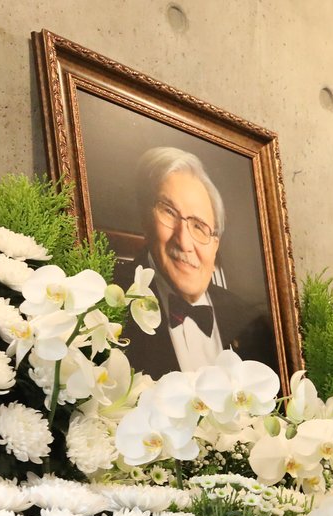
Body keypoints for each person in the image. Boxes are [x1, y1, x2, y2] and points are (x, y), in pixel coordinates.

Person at [118, 146, 277, 379]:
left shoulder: (253, 323)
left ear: (215, 246)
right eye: (169, 212)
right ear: (146, 221)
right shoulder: (108, 305)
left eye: (199, 226)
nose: (184, 242)